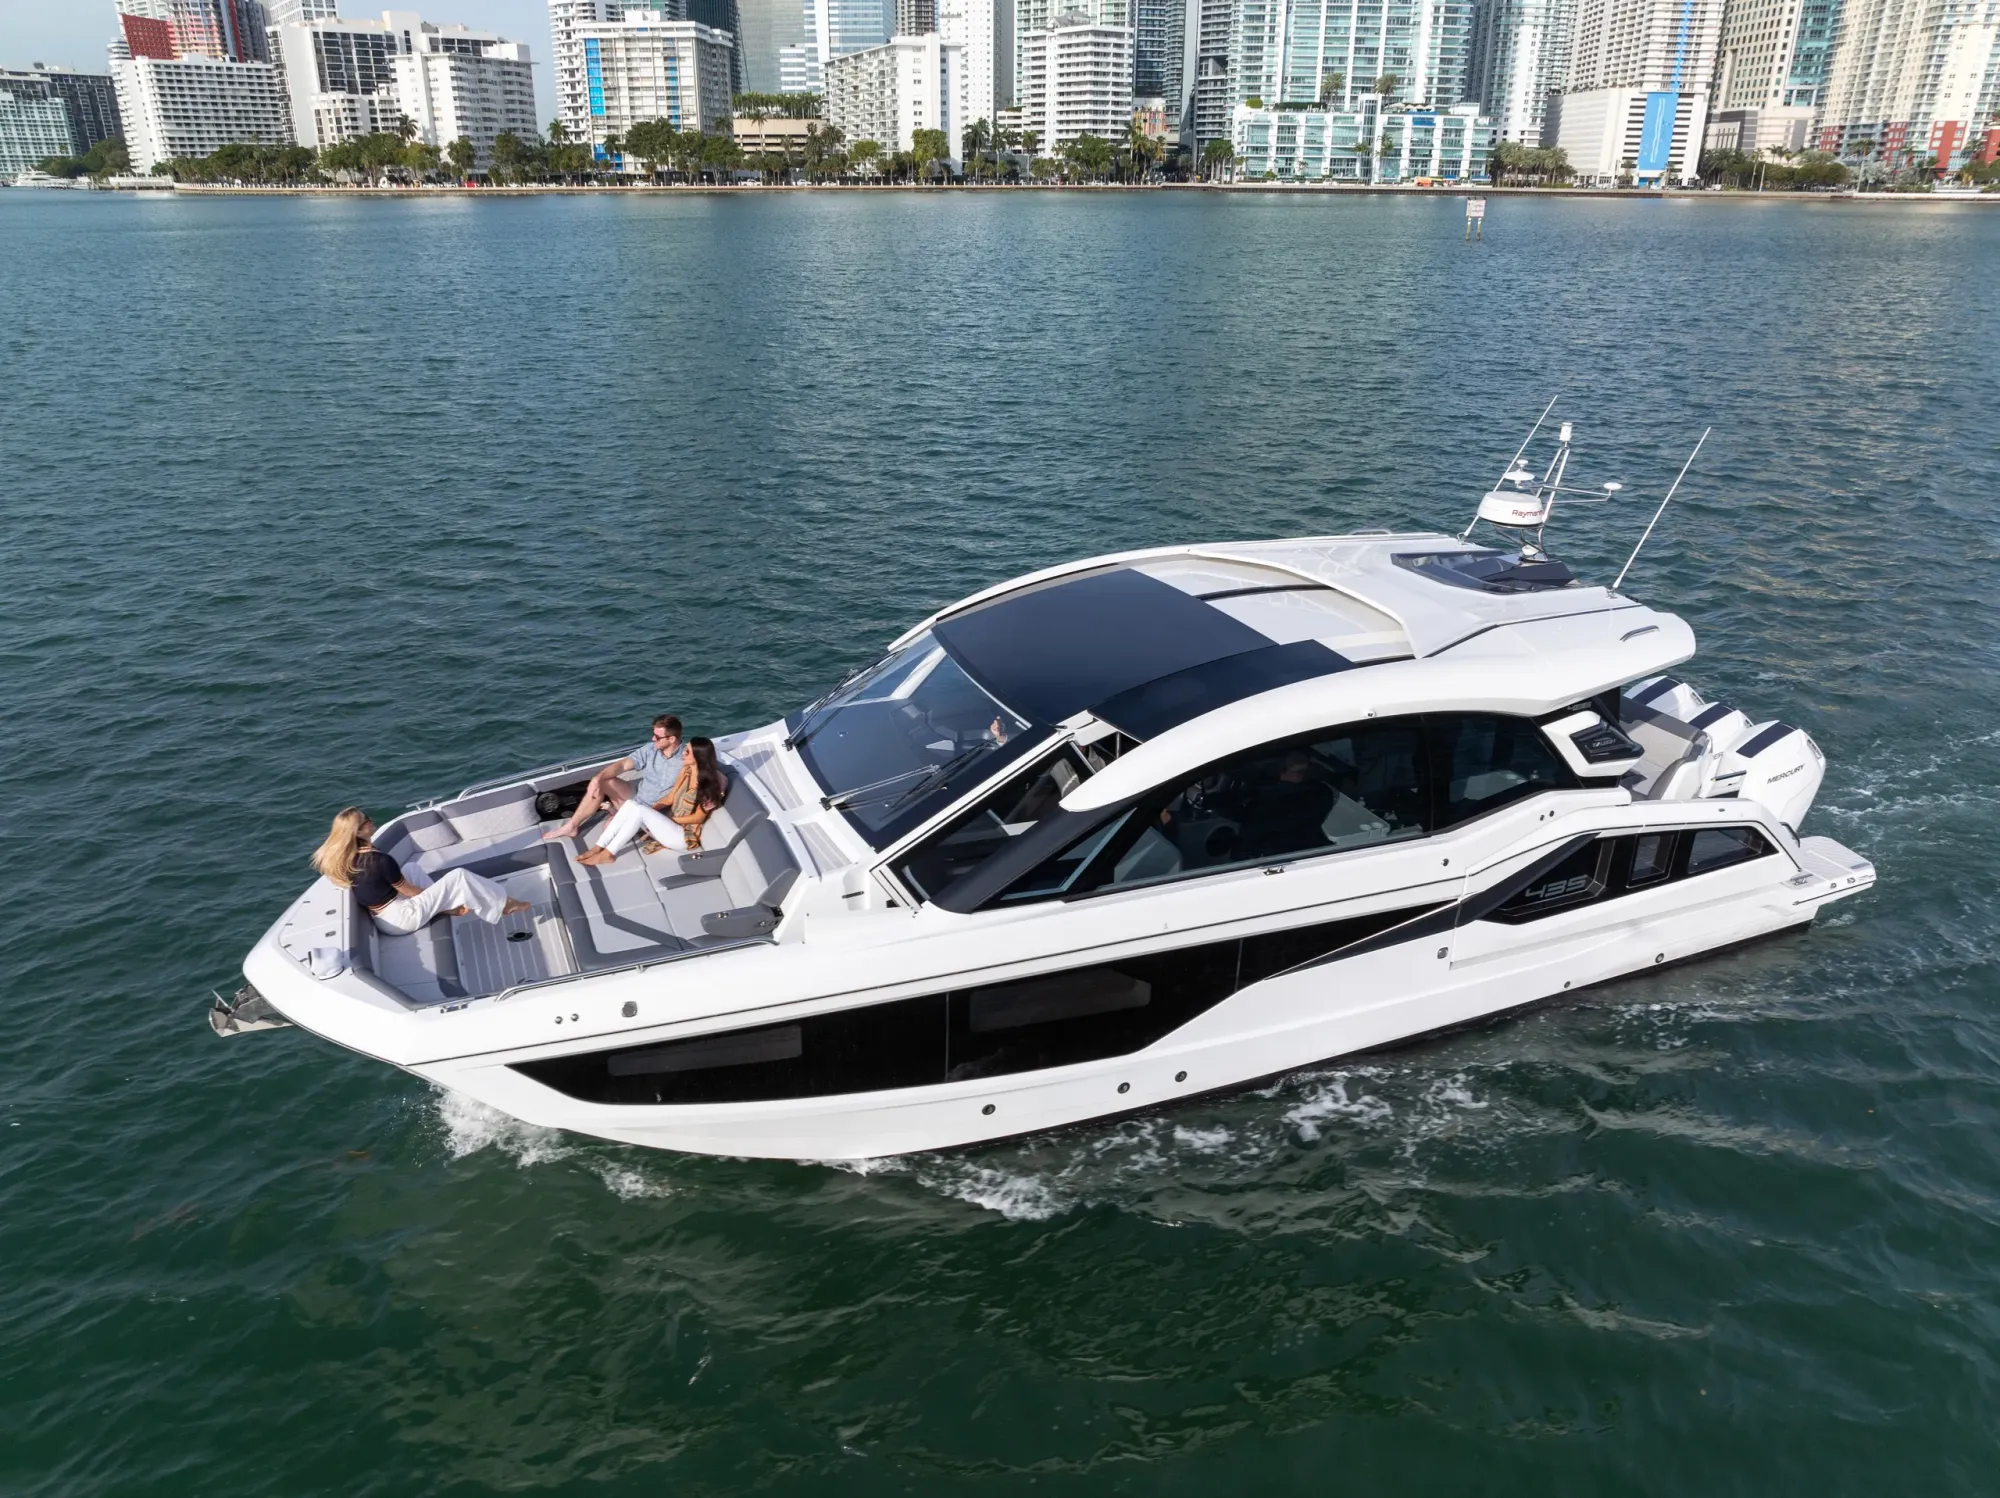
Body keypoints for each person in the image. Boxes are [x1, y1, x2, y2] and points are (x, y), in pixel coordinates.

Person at [313, 807, 531, 935]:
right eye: (367, 820)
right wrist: (438, 896)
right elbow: (410, 892)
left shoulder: (347, 858)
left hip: (385, 917)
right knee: (459, 877)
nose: (371, 820)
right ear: (359, 831)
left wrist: (437, 898)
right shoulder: (380, 860)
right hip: (402, 919)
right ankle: (504, 904)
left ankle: (446, 908)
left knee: (411, 868)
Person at [577, 737, 729, 866]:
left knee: (640, 810)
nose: (683, 752)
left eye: (687, 751)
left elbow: (698, 818)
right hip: (670, 827)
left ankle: (608, 854)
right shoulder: (686, 771)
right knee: (631, 804)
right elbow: (670, 798)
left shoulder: (708, 786)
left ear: (698, 757)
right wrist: (653, 814)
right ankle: (599, 846)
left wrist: (667, 818)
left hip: (683, 836)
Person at [543, 714, 684, 842]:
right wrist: (597, 779)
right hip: (638, 795)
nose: (653, 739)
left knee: (609, 830)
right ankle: (572, 826)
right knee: (603, 781)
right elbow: (623, 764)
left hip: (655, 810)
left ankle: (622, 816)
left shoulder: (687, 758)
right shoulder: (650, 749)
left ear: (671, 739)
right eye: (653, 735)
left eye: (657, 737)